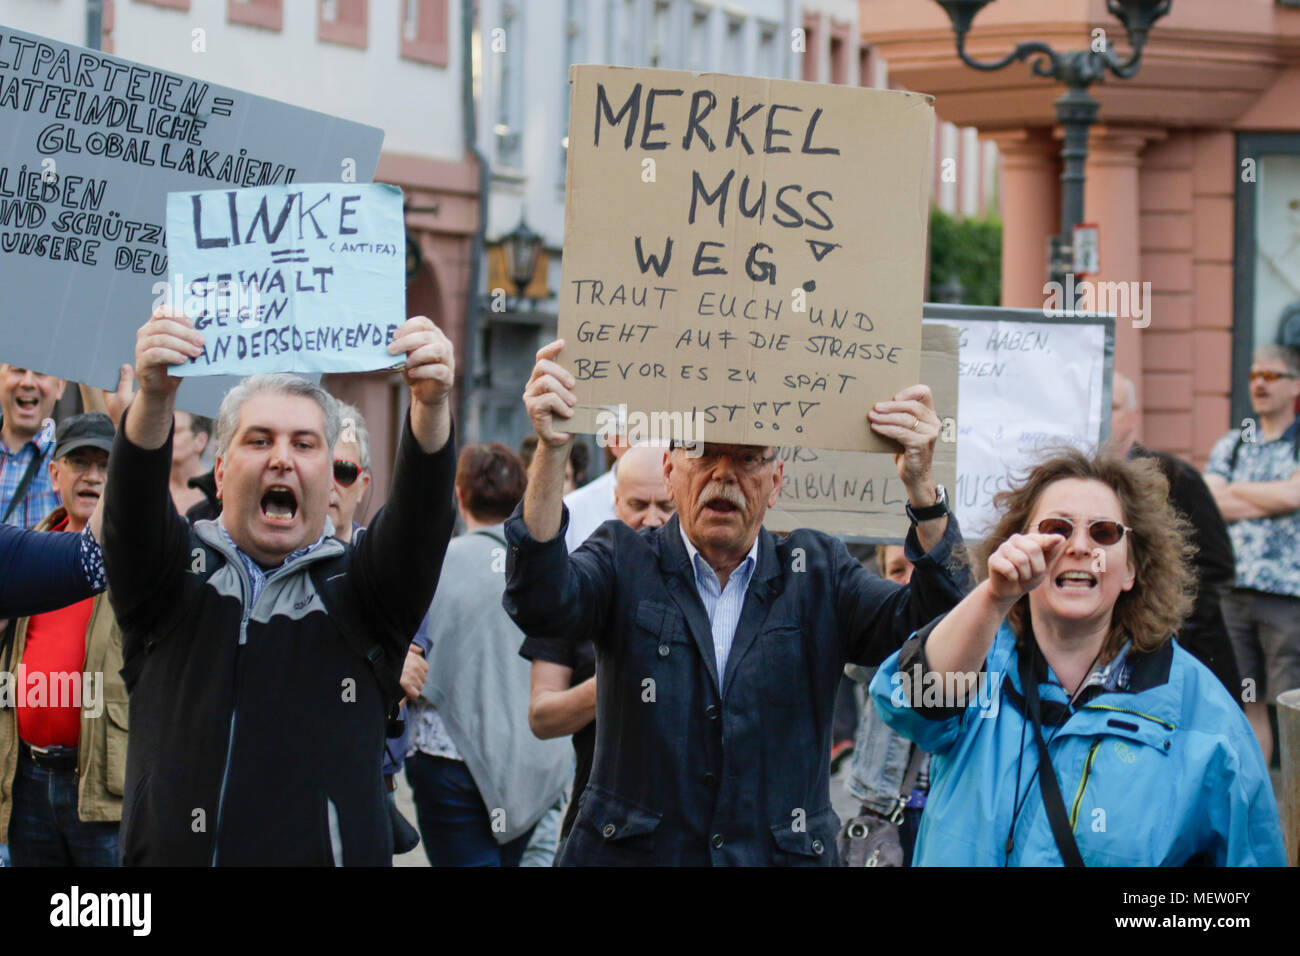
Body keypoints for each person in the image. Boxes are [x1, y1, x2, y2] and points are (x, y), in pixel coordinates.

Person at [504, 339, 970, 866]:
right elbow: (539, 602)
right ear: (671, 470)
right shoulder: (622, 557)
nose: (723, 473)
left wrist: (923, 490)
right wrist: (551, 452)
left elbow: (936, 627)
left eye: (748, 457)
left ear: (776, 484)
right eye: (703, 451)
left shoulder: (818, 571)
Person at [101, 308, 458, 866]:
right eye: (259, 440)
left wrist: (431, 407)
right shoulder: (171, 577)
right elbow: (131, 514)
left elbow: (422, 519)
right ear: (220, 471)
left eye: (306, 444)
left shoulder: (366, 590)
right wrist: (153, 401)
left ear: (329, 470)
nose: (282, 459)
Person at [871, 449, 1285, 866]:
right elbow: (910, 703)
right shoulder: (976, 658)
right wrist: (994, 596)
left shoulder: (1203, 712)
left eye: (1104, 532)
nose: (1080, 546)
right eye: (1056, 528)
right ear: (1017, 545)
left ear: (1131, 570)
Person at [406, 443, 572, 866]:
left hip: (450, 762)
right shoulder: (549, 570)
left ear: (460, 497)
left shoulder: (435, 564)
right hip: (539, 762)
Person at [520, 442, 677, 853]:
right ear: (616, 503)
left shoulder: (714, 589)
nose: (652, 519)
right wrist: (612, 682)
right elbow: (542, 716)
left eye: (666, 506)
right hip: (603, 829)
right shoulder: (582, 586)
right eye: (639, 504)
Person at [0, 413, 124, 866]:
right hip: (26, 777)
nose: (93, 476)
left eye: (106, 464)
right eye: (79, 462)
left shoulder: (139, 564)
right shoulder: (24, 553)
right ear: (55, 474)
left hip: (99, 784)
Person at [327, 401, 422, 858]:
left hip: (371, 784)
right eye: (316, 462)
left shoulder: (386, 566)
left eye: (343, 470)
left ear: (363, 484)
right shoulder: (266, 559)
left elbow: (410, 677)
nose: (329, 482)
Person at [1110, 371, 1240, 697]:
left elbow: (1216, 566)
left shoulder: (1174, 476)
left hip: (1186, 654)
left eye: (1110, 406)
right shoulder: (1073, 483)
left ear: (1133, 417)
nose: (1099, 412)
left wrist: (1167, 626)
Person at [1204, 345, 1300, 763]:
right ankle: (1262, 801)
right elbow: (1210, 499)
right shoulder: (1237, 441)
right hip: (1234, 593)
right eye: (1254, 375)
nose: (1259, 383)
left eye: (1272, 376)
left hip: (1287, 597)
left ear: (1295, 385)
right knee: (1249, 700)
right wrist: (1274, 497)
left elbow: (1295, 493)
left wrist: (1236, 492)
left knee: (1291, 703)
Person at [842, 544, 930, 866]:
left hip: (943, 813)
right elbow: (855, 665)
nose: (910, 582)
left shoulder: (974, 641)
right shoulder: (881, 638)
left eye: (921, 572)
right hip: (885, 811)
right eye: (897, 571)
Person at [0, 364, 65, 529]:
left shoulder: (70, 468)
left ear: (60, 386)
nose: (27, 382)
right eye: (17, 369)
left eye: (40, 372)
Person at [169, 410, 214, 517]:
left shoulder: (215, 491)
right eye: (164, 431)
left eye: (175, 431)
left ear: (200, 441)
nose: (166, 437)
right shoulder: (152, 486)